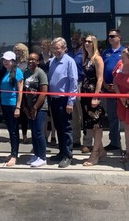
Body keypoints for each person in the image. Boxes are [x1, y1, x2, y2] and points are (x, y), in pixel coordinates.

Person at [48, 37, 78, 168]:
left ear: (65, 48)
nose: (56, 50)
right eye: (54, 48)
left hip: (64, 100)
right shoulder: (52, 61)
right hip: (54, 99)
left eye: (58, 48)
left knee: (66, 128)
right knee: (58, 128)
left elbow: (73, 82)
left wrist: (70, 102)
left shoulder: (69, 61)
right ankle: (61, 152)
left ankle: (67, 155)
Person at [81, 35, 106, 166]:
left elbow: (100, 79)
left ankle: (95, 154)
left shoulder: (97, 58)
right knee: (90, 124)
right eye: (85, 41)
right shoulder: (86, 59)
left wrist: (96, 96)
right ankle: (100, 150)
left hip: (93, 95)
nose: (87, 43)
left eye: (89, 42)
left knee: (97, 125)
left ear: (94, 43)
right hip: (85, 94)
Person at [0, 50, 24, 167]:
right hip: (4, 104)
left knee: (14, 131)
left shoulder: (18, 72)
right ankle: (12, 152)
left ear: (13, 61)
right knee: (9, 130)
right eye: (4, 60)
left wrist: (18, 107)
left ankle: (14, 155)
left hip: (13, 105)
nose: (5, 62)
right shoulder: (2, 72)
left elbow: (20, 91)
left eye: (8, 60)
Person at [22, 52, 49, 167]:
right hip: (28, 107)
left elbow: (43, 92)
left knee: (39, 132)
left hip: (40, 108)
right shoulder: (25, 73)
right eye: (30, 59)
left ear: (38, 61)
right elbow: (22, 91)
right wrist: (24, 107)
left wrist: (35, 107)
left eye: (34, 60)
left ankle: (42, 157)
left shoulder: (41, 73)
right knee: (33, 132)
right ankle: (36, 155)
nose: (31, 61)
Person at [101, 29, 124, 152]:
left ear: (119, 37)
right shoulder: (105, 53)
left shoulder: (125, 52)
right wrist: (104, 84)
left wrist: (118, 87)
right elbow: (102, 70)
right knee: (112, 117)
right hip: (108, 90)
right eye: (108, 37)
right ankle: (114, 142)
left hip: (123, 91)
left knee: (128, 119)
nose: (110, 38)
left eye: (112, 36)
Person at [68, 32, 87, 150]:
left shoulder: (85, 53)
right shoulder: (69, 54)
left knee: (84, 115)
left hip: (82, 85)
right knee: (74, 116)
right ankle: (76, 140)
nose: (74, 41)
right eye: (72, 39)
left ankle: (87, 142)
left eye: (76, 39)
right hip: (71, 86)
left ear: (81, 40)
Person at [13, 43, 30, 144]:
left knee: (23, 114)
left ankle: (24, 134)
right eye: (15, 50)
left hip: (24, 90)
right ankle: (15, 135)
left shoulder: (26, 63)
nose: (17, 53)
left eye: (19, 50)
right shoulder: (13, 63)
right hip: (14, 90)